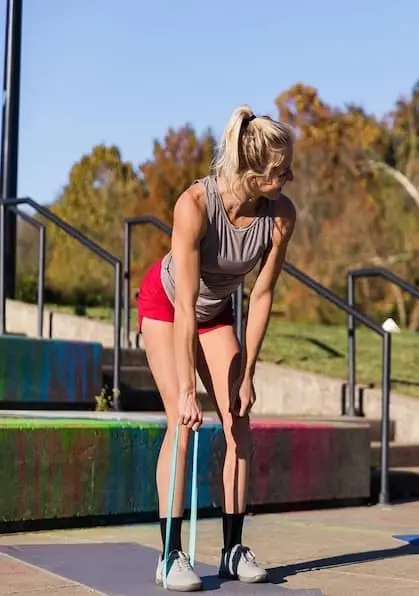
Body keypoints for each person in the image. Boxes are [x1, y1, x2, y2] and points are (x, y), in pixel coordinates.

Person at [135, 104, 297, 591]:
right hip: (168, 307)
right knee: (182, 425)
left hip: (216, 315)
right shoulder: (194, 206)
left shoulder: (281, 215)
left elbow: (263, 295)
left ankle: (232, 549)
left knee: (237, 421)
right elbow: (185, 304)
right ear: (252, 172)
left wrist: (246, 375)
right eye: (280, 170)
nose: (290, 176)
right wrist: (187, 388)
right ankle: (170, 555)